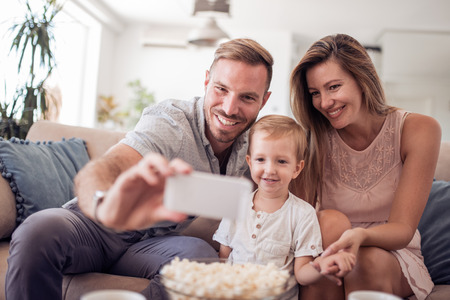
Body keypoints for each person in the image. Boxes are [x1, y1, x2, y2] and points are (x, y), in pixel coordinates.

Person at [6, 38, 274, 300]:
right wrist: (104, 207)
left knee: (199, 256)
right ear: (206, 81)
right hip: (96, 228)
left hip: (151, 244)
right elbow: (104, 169)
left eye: (247, 97)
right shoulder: (171, 123)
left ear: (264, 100)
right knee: (37, 230)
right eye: (221, 89)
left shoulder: (255, 145)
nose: (229, 108)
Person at [289, 33, 442, 300]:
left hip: (392, 255)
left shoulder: (419, 129)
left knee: (364, 259)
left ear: (362, 79)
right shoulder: (311, 139)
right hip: (331, 246)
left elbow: (403, 229)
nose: (324, 103)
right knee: (326, 238)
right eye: (315, 93)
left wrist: (358, 236)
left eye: (334, 87)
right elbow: (296, 221)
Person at [213, 114, 356, 299]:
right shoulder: (235, 205)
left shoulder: (303, 214)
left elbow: (303, 275)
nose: (269, 169)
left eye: (281, 161)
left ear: (296, 168)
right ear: (249, 162)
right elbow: (224, 257)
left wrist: (322, 265)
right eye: (260, 159)